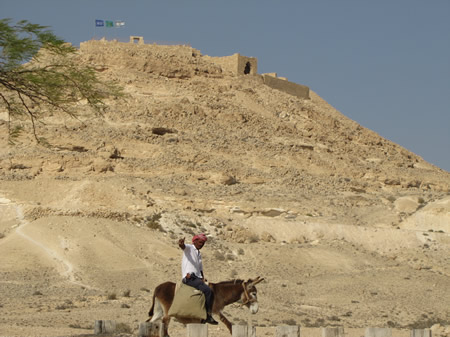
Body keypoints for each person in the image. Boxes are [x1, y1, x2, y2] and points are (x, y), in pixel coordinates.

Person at [178, 234, 218, 325]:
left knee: (210, 288)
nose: (201, 244)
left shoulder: (199, 254)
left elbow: (200, 269)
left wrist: (203, 278)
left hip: (197, 278)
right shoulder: (190, 248)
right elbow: (183, 246)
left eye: (203, 243)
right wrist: (181, 243)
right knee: (208, 291)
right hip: (189, 278)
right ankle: (208, 315)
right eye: (200, 242)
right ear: (194, 241)